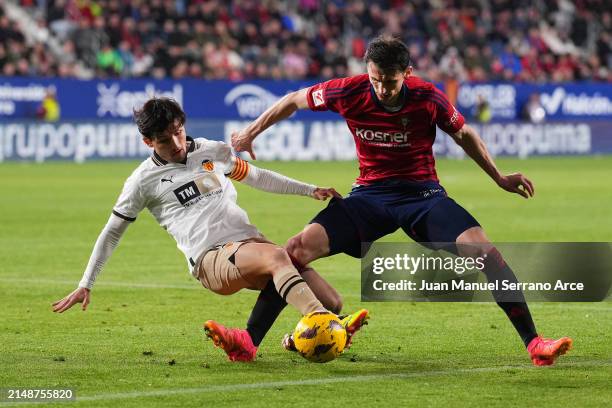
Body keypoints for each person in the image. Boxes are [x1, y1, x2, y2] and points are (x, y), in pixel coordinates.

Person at [232, 36, 572, 366]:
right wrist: (250, 132)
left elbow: (464, 134)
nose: (381, 88)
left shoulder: (427, 97)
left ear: (406, 73)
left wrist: (498, 176)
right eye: (375, 79)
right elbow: (293, 99)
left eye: (390, 82)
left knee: (484, 251)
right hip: (369, 196)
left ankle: (535, 344)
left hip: (422, 195)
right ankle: (249, 341)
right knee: (295, 249)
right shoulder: (349, 90)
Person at [52, 97, 368, 362]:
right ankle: (318, 320)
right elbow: (112, 232)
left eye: (178, 132)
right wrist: (86, 282)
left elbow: (256, 177)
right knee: (279, 259)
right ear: (148, 142)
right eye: (164, 139)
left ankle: (292, 339)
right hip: (210, 259)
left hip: (249, 246)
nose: (176, 143)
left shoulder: (211, 151)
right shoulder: (141, 181)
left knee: (332, 301)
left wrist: (309, 189)